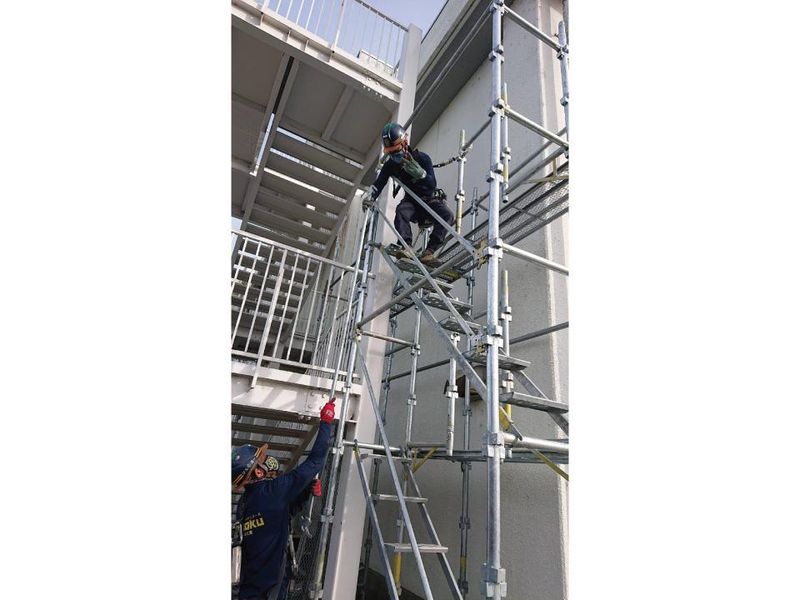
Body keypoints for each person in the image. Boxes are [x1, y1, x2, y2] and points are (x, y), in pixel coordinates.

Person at [232, 399, 335, 600]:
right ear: (258, 472)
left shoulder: (244, 504)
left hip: (249, 590)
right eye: (262, 460)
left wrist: (305, 492)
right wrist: (325, 423)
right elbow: (315, 462)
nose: (266, 461)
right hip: (271, 589)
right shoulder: (274, 490)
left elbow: (280, 516)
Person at [364, 122, 454, 264]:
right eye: (390, 152)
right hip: (411, 202)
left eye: (396, 150)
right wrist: (370, 197)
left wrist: (422, 175)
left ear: (405, 143)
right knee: (401, 211)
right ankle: (406, 246)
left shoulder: (423, 158)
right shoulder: (391, 165)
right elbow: (379, 182)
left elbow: (432, 185)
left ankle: (429, 252)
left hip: (428, 200)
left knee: (447, 215)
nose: (394, 155)